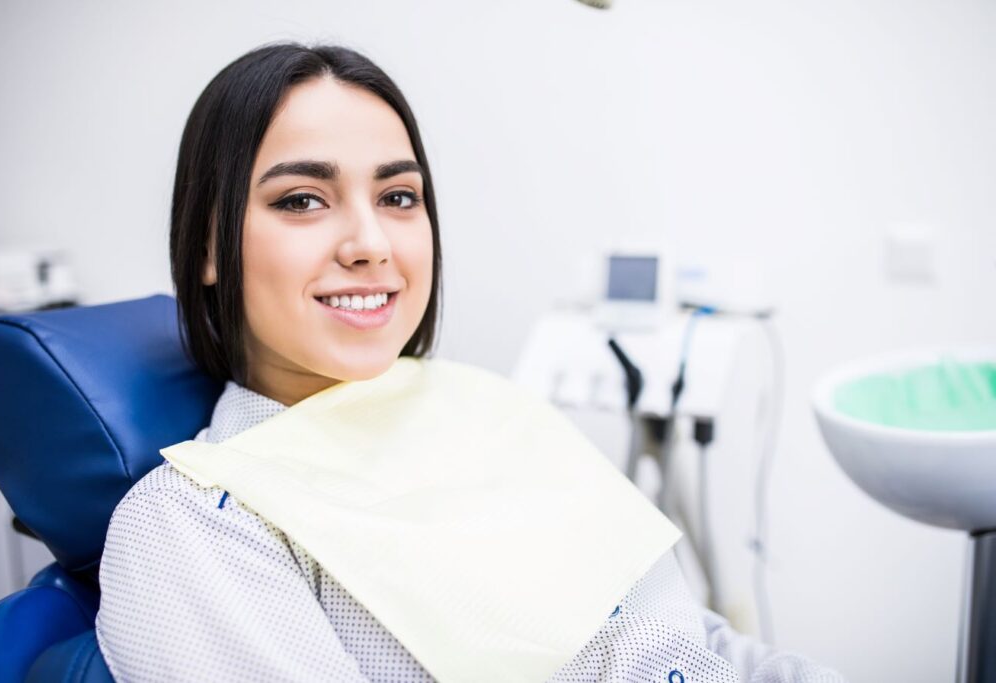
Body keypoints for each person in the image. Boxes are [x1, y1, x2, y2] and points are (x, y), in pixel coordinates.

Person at [95, 42, 847, 683]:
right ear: (205, 247)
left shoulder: (488, 409)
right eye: (301, 200)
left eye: (397, 195)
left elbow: (688, 640)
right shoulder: (197, 524)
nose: (370, 243)